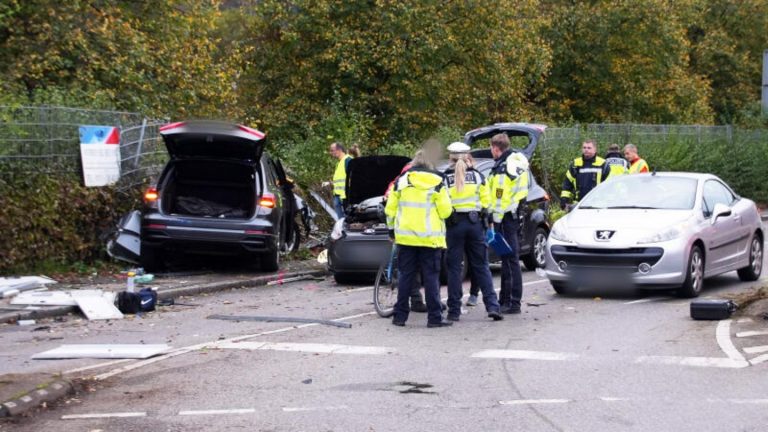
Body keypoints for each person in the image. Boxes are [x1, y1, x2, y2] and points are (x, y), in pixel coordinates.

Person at [385, 148, 453, 328]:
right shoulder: (439, 181)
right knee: (431, 279)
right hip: (430, 239)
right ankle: (434, 318)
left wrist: (392, 230)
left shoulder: (401, 182)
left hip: (406, 238)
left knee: (406, 277)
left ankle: (400, 317)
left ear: (413, 163)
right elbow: (446, 211)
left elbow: (390, 209)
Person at [443, 142, 503, 322]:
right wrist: (489, 224)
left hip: (454, 226)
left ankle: (454, 310)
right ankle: (493, 306)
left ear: (450, 157)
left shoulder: (445, 178)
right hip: (475, 224)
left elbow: (442, 205)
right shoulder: (478, 177)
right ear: (468, 156)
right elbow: (487, 203)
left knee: (454, 269)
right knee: (481, 266)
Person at [487, 134, 529, 314]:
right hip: (512, 215)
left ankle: (513, 302)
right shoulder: (515, 162)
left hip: (505, 218)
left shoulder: (504, 169)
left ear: (496, 148)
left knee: (510, 260)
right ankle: (506, 299)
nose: (491, 152)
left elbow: (499, 197)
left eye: (491, 148)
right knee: (507, 259)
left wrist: (493, 219)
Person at [560, 140, 611, 208]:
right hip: (578, 204)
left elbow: (609, 184)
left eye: (589, 148)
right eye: (584, 147)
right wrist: (564, 199)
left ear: (595, 150)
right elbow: (567, 183)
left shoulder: (603, 164)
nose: (586, 150)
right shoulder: (575, 164)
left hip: (598, 204)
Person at [327, 142, 353, 218]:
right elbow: (341, 180)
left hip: (345, 197)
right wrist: (330, 183)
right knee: (341, 222)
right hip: (338, 196)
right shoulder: (339, 163)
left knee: (347, 220)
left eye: (332, 150)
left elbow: (354, 178)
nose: (331, 153)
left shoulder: (348, 160)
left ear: (339, 150)